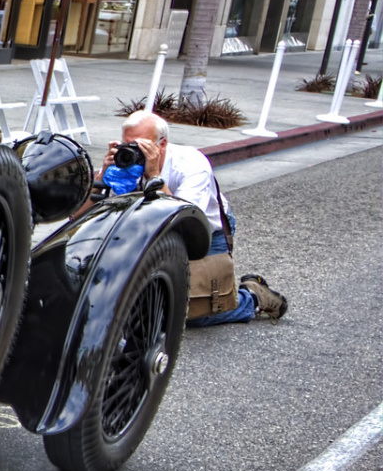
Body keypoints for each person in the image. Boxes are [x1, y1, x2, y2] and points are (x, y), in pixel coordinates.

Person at [102, 110, 285, 324]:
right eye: (127, 145)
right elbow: (85, 214)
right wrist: (103, 174)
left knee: (188, 313)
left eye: (142, 146)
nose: (133, 152)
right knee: (144, 307)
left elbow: (185, 221)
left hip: (202, 232)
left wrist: (154, 176)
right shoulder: (124, 165)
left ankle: (251, 298)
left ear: (162, 144)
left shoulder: (191, 164)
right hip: (149, 231)